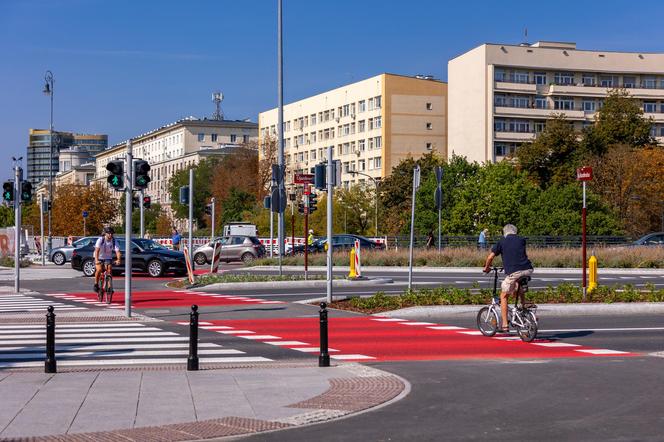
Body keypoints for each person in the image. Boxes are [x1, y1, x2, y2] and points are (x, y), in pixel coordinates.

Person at [483, 224, 533, 333]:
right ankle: (523, 307)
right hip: (528, 269)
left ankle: (505, 325)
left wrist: (487, 268)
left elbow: (490, 257)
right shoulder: (521, 240)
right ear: (515, 231)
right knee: (517, 285)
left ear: (504, 232)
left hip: (515, 272)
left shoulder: (502, 241)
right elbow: (516, 254)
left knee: (503, 295)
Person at [94, 227, 121, 293]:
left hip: (108, 258)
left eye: (112, 233)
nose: (110, 235)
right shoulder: (100, 240)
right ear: (105, 234)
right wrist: (96, 260)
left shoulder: (114, 241)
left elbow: (118, 251)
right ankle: (96, 284)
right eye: (109, 233)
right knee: (99, 269)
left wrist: (118, 260)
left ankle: (109, 287)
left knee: (109, 269)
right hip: (99, 257)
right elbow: (97, 250)